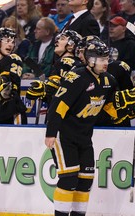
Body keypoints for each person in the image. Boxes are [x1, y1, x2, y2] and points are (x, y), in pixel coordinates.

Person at [45, 37, 135, 216]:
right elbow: (58, 105)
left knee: (85, 181)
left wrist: (126, 111)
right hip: (65, 136)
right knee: (68, 179)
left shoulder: (109, 80)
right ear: (91, 60)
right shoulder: (76, 77)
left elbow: (109, 108)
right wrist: (51, 133)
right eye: (101, 59)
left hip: (85, 137)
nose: (105, 63)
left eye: (106, 59)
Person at [0, 27, 27, 124]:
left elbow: (8, 85)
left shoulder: (14, 59)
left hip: (11, 111)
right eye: (7, 41)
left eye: (13, 42)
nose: (10, 45)